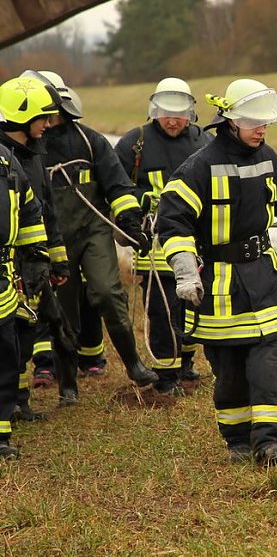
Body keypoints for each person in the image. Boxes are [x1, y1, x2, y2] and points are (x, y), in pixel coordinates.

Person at [157, 78, 277, 465]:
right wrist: (185, 271)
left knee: (270, 363)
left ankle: (271, 442)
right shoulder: (198, 168)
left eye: (265, 122)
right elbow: (172, 223)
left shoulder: (269, 156)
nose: (261, 129)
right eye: (253, 122)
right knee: (229, 372)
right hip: (219, 285)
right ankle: (238, 442)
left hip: (263, 275)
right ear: (229, 121)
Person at [33, 70, 158, 398]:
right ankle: (68, 385)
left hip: (92, 230)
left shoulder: (90, 141)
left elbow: (117, 185)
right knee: (64, 310)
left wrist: (130, 220)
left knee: (106, 292)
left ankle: (134, 364)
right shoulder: (25, 148)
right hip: (50, 238)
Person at [114, 77, 213, 395]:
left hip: (196, 243)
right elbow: (116, 186)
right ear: (153, 111)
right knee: (161, 310)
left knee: (193, 305)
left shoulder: (205, 142)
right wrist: (134, 212)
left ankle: (186, 364)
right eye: (165, 113)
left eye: (179, 114)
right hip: (154, 248)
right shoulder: (135, 142)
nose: (172, 120)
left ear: (191, 113)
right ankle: (166, 378)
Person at [0, 75, 76, 416]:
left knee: (26, 330)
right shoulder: (7, 158)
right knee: (11, 333)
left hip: (27, 264)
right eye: (43, 117)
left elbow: (43, 213)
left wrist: (49, 260)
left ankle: (19, 401)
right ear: (21, 116)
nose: (48, 124)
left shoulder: (31, 156)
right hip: (8, 265)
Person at [0, 106, 50, 459]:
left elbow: (29, 207)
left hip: (3, 279)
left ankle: (1, 434)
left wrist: (36, 255)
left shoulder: (6, 161)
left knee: (5, 356)